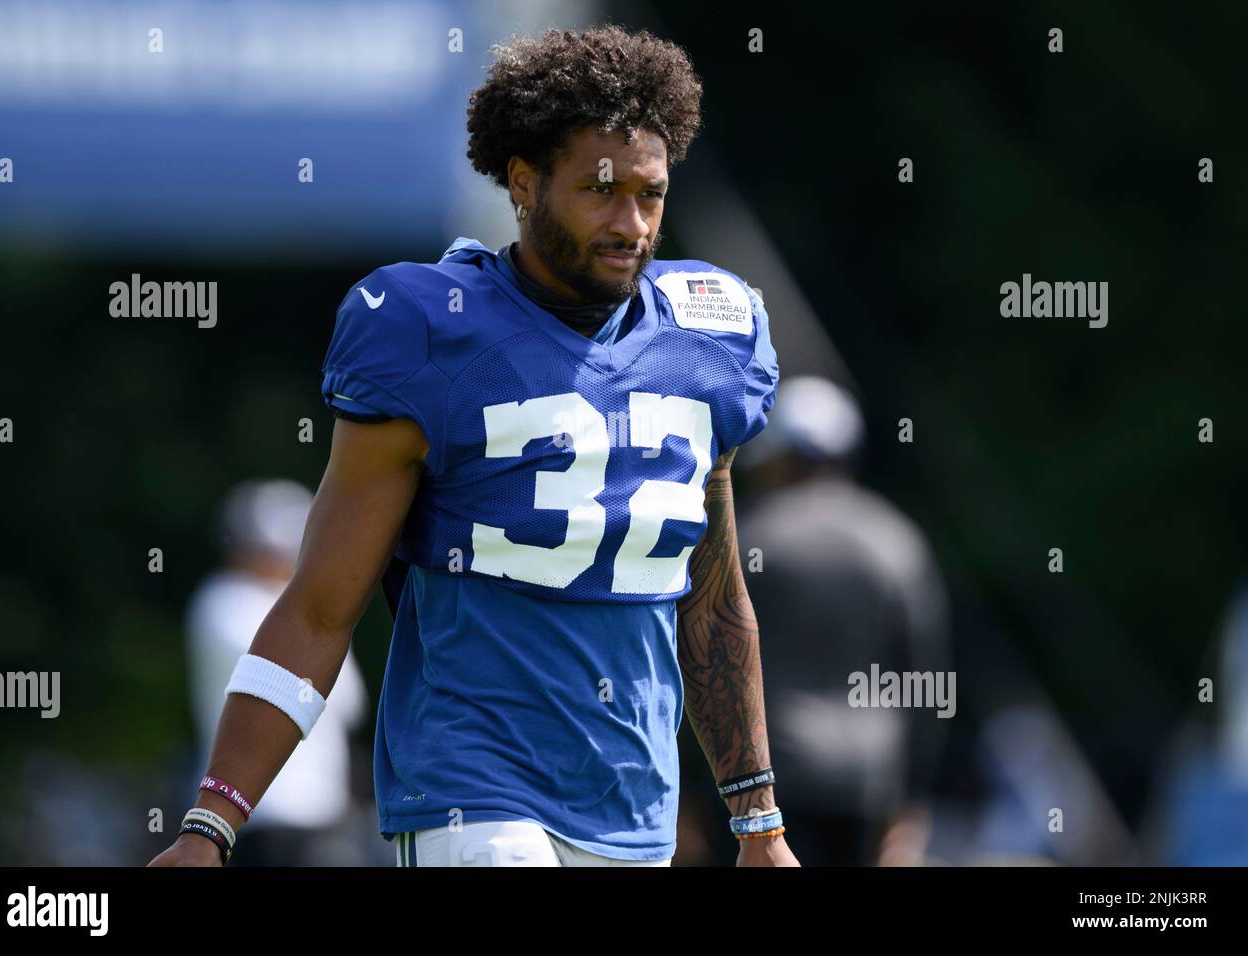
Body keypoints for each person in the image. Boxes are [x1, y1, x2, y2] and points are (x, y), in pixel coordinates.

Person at [150, 25, 797, 868]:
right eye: (601, 192)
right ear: (524, 183)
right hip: (472, 788)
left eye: (651, 194)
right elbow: (319, 604)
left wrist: (759, 824)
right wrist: (211, 822)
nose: (631, 224)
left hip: (633, 801)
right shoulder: (431, 331)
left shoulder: (708, 336)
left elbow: (711, 602)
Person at [736, 376, 951, 865]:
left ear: (780, 457)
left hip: (762, 786)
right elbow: (926, 678)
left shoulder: (749, 537)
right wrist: (914, 800)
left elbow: (705, 662)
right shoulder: (897, 538)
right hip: (869, 784)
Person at [185, 479, 368, 865]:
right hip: (252, 811)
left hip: (320, 807)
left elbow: (350, 703)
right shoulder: (222, 601)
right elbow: (292, 676)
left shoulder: (311, 615)